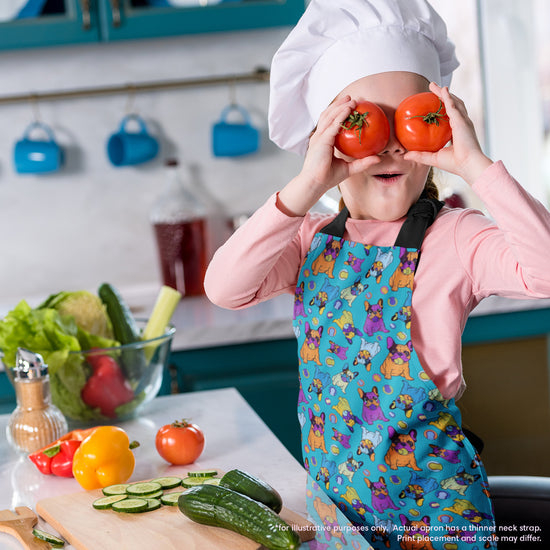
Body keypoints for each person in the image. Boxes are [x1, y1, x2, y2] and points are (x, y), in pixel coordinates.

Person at [204, 0, 550, 547]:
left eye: (412, 121)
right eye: (364, 122)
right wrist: (306, 186)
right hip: (338, 520)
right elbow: (224, 288)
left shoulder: (455, 237)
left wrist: (477, 166)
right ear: (327, 138)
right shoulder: (308, 237)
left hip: (438, 521)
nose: (389, 142)